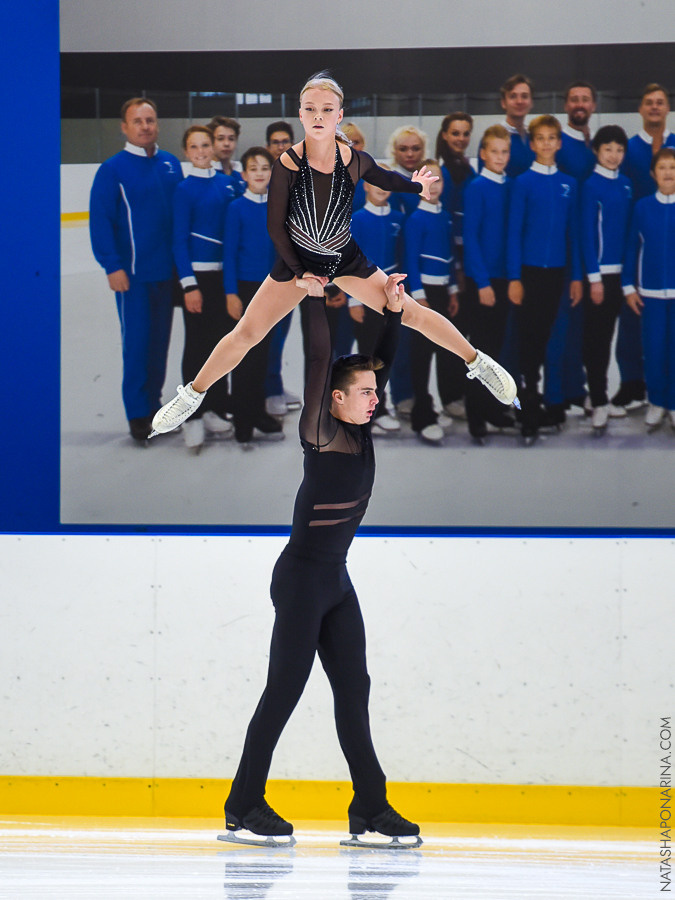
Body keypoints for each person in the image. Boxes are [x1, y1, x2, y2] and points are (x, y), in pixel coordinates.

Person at [151, 72, 517, 439]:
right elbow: (276, 228)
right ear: (300, 113)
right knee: (247, 333)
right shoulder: (288, 165)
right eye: (310, 108)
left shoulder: (354, 159)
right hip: (297, 262)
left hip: (344, 257)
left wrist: (415, 185)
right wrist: (300, 273)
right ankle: (192, 395)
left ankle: (478, 361)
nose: (318, 115)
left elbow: (384, 178)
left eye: (327, 109)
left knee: (411, 314)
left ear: (339, 114)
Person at [219, 278, 421, 848]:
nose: (374, 398)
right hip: (303, 578)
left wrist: (396, 312)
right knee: (284, 690)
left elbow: (380, 358)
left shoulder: (360, 427)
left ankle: (370, 807)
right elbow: (318, 356)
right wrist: (313, 296)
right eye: (363, 393)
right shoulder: (322, 431)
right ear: (334, 399)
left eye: (374, 392)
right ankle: (243, 803)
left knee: (354, 688)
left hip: (336, 579)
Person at [89, 97, 183, 442]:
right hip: (133, 277)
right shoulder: (112, 170)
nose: (145, 126)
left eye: (150, 120)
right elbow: (101, 222)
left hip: (167, 273)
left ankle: (155, 407)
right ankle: (137, 413)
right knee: (138, 344)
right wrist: (112, 265)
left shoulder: (171, 164)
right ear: (124, 127)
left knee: (159, 344)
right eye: (138, 120)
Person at [507, 115, 582, 443]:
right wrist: (514, 277)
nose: (548, 143)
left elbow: (574, 235)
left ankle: (553, 403)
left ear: (559, 143)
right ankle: (528, 408)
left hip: (559, 275)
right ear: (533, 143)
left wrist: (577, 276)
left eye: (553, 137)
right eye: (542, 138)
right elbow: (513, 233)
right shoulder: (522, 183)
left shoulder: (569, 183)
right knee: (529, 343)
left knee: (553, 340)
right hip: (529, 274)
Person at [172, 125, 236, 451]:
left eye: (205, 144)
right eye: (194, 146)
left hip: (223, 279)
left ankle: (213, 408)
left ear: (213, 147)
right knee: (196, 348)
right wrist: (188, 285)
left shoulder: (227, 184)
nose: (200, 150)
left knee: (220, 346)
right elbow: (179, 242)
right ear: (186, 151)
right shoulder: (184, 190)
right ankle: (191, 417)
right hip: (197, 280)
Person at [615, 84, 675, 411]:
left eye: (660, 103)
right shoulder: (630, 148)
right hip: (640, 245)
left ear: (667, 109)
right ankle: (633, 384)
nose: (654, 107)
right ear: (640, 108)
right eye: (649, 102)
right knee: (637, 331)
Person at [224, 146, 284, 446]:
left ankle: (258, 411)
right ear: (244, 174)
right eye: (254, 168)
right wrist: (231, 293)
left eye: (265, 168)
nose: (260, 173)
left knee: (263, 355)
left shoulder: (277, 206)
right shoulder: (236, 208)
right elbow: (230, 254)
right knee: (244, 355)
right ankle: (242, 420)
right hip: (246, 290)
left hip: (271, 289)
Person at [463, 125, 516, 442]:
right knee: (479, 353)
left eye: (504, 151)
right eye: (494, 151)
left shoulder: (511, 186)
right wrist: (482, 283)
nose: (500, 157)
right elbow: (471, 239)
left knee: (499, 351)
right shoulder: (476, 187)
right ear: (483, 154)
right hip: (482, 281)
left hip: (506, 278)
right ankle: (475, 416)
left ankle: (494, 409)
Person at [580, 126, 633, 433]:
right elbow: (586, 234)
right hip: (598, 279)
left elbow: (628, 236)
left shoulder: (626, 185)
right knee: (596, 343)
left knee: (612, 339)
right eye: (608, 149)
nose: (614, 155)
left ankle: (606, 397)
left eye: (619, 150)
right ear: (597, 152)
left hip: (621, 278)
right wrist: (594, 278)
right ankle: (598, 400)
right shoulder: (590, 186)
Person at [404, 159, 459, 443]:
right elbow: (411, 261)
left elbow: (449, 258)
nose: (433, 186)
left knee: (444, 351)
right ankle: (422, 416)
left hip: (441, 294)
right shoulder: (416, 220)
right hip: (422, 295)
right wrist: (419, 297)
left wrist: (451, 289)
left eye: (437, 180)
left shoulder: (445, 217)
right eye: (427, 180)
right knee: (421, 355)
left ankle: (438, 405)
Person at [622, 147, 675, 432]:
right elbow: (632, 247)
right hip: (651, 295)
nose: (669, 173)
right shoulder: (643, 207)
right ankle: (656, 401)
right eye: (663, 167)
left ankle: (674, 404)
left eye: (673, 167)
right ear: (653, 173)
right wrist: (629, 286)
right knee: (654, 350)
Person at [349, 172, 406, 434]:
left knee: (386, 353)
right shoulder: (358, 219)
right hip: (365, 297)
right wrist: (353, 300)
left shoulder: (398, 219)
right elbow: (349, 262)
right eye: (376, 184)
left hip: (390, 300)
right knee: (368, 357)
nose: (381, 189)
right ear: (366, 187)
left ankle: (381, 406)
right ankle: (368, 412)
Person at [264, 119, 302, 417]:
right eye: (275, 142)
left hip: (295, 269)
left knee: (282, 332)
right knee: (265, 332)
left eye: (285, 141)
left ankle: (274, 383)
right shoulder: (261, 176)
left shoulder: (301, 177)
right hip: (265, 270)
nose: (280, 146)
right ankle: (267, 390)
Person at [499, 74, 535, 178]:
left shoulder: (535, 138)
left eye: (524, 96)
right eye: (513, 96)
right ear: (503, 103)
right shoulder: (493, 138)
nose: (519, 101)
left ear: (531, 102)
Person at [387, 125, 428, 217]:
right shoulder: (390, 183)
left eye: (416, 149)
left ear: (423, 151)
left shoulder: (431, 179)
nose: (410, 154)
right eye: (403, 149)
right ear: (394, 151)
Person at [209, 115, 246, 195]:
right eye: (220, 139)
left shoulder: (241, 175)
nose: (227, 144)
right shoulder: (205, 177)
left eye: (231, 139)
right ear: (211, 141)